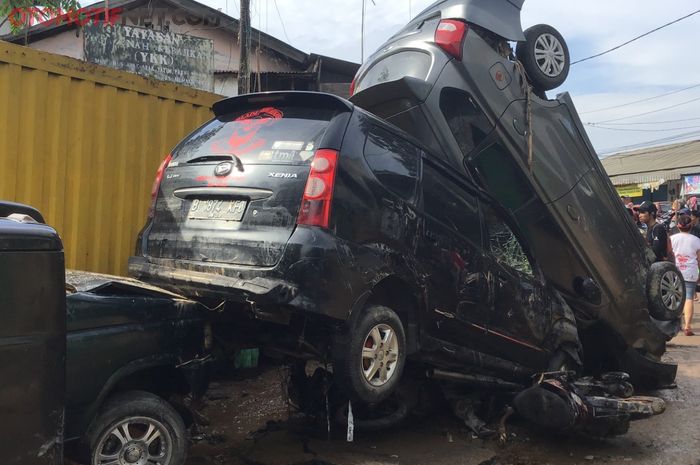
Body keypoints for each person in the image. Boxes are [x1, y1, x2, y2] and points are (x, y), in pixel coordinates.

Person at [670, 214, 700, 336]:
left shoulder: (671, 238)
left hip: (675, 271)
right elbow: (699, 259)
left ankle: (673, 324)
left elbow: (669, 254)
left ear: (678, 225)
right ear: (691, 225)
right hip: (690, 272)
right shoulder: (697, 240)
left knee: (674, 298)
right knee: (688, 298)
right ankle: (687, 325)